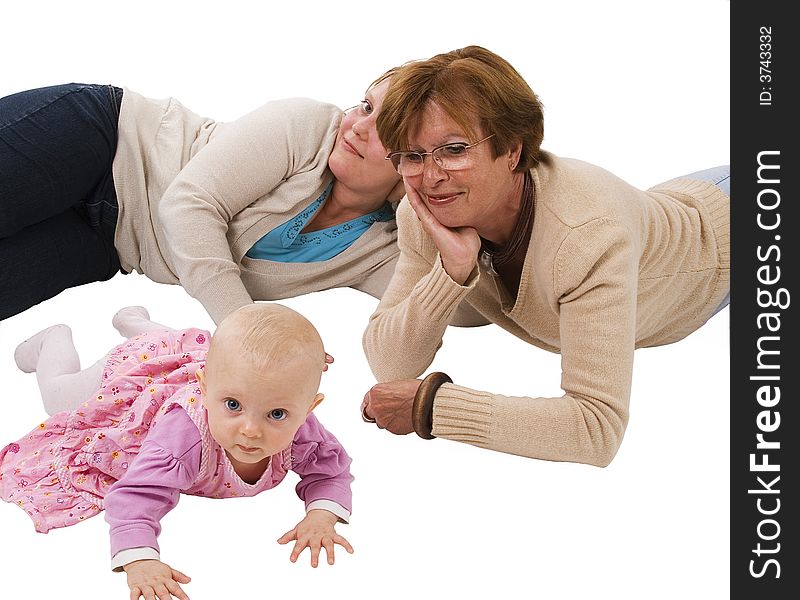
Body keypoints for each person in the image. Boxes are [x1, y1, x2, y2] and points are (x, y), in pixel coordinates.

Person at [360, 45, 730, 467]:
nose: (431, 176)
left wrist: (431, 407)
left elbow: (595, 430)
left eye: (455, 149)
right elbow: (390, 364)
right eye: (412, 155)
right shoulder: (424, 214)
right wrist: (451, 270)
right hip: (676, 203)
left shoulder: (587, 237)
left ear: (513, 150)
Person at [1, 303, 354, 600]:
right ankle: (54, 340)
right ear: (205, 388)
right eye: (232, 406)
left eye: (276, 414)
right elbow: (135, 495)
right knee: (58, 399)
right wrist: (140, 559)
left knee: (214, 359)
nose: (250, 430)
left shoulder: (301, 431)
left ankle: (135, 322)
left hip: (201, 363)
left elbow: (331, 470)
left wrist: (321, 514)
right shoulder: (184, 438)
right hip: (137, 376)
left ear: (309, 409)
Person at [0, 71, 404, 324]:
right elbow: (189, 204)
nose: (359, 126)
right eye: (366, 105)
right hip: (105, 143)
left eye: (386, 128)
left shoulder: (380, 250)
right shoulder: (311, 125)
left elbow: (456, 309)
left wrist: (434, 224)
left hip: (108, 244)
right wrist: (245, 331)